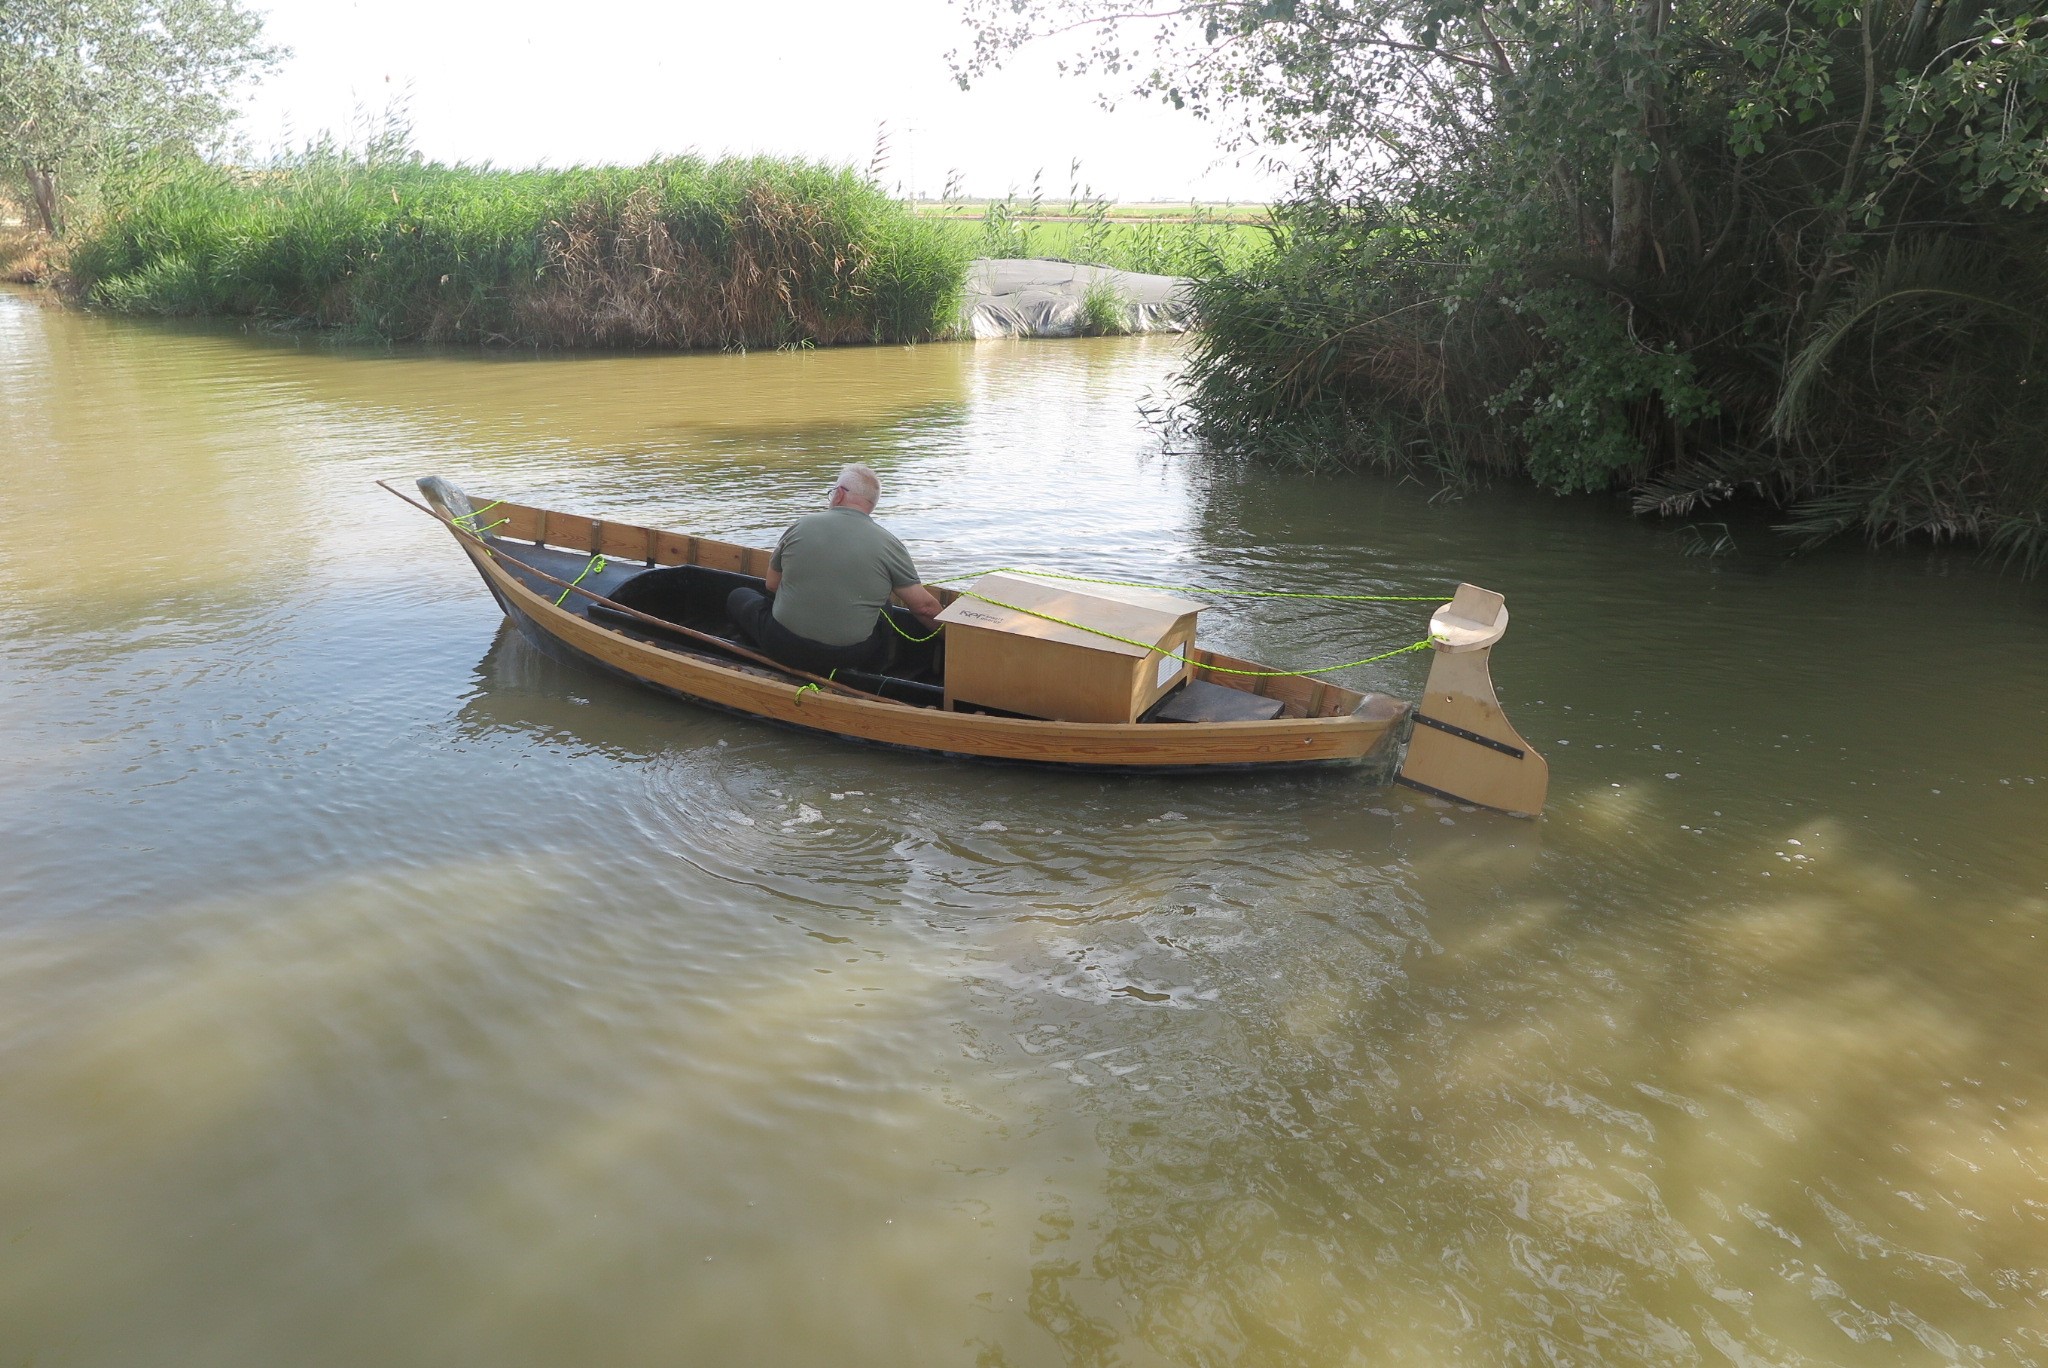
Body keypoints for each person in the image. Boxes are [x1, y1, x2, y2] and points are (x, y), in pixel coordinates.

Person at [726, 464, 943, 676]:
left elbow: (772, 585)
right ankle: (872, 673)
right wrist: (954, 641)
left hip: (785, 646)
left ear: (839, 494)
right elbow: (924, 607)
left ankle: (749, 655)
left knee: (739, 595)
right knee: (885, 606)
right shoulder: (890, 544)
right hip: (851, 656)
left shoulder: (801, 526)